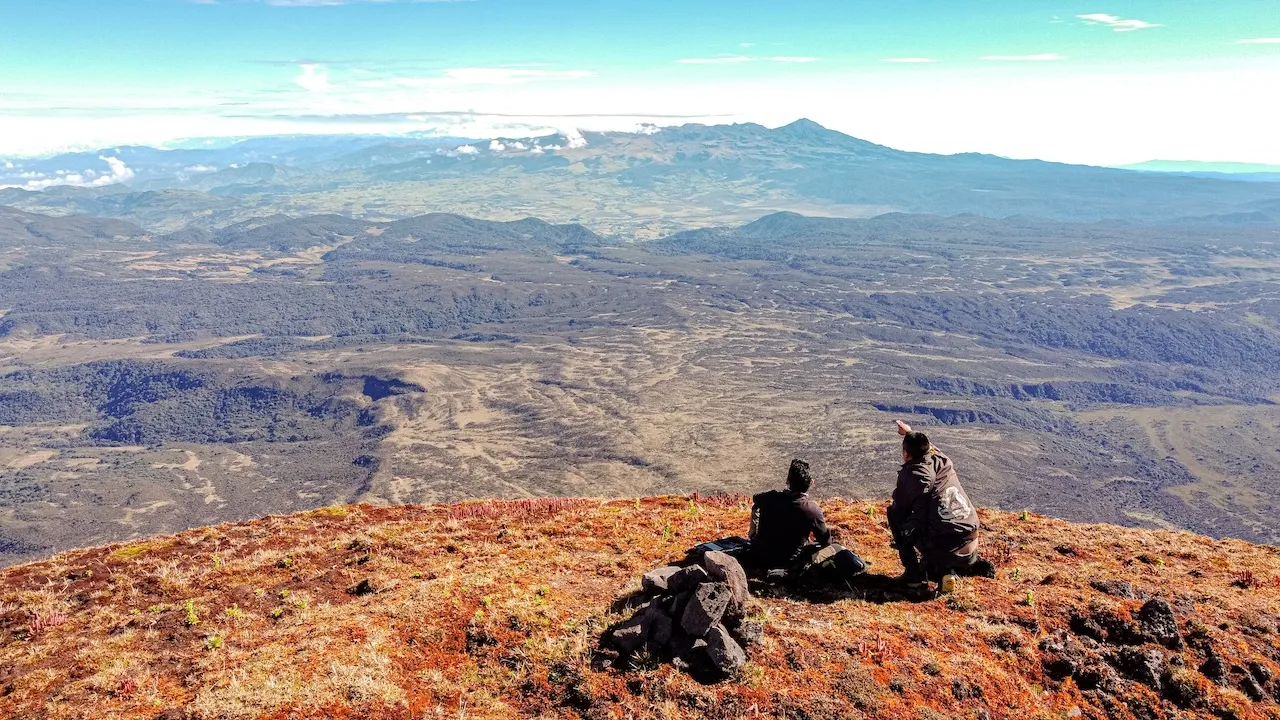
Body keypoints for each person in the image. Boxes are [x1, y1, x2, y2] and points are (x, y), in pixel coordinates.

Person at [887, 421, 983, 589]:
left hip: (947, 551)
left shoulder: (914, 476)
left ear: (906, 455)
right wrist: (910, 432)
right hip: (971, 545)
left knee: (895, 516)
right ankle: (947, 571)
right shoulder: (942, 459)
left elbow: (900, 509)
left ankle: (914, 577)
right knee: (938, 520)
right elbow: (927, 447)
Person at [747, 459, 831, 571]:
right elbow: (825, 542)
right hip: (789, 564)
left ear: (788, 481)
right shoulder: (812, 511)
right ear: (811, 482)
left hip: (759, 557)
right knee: (833, 548)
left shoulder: (769, 498)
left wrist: (753, 532)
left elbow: (755, 499)